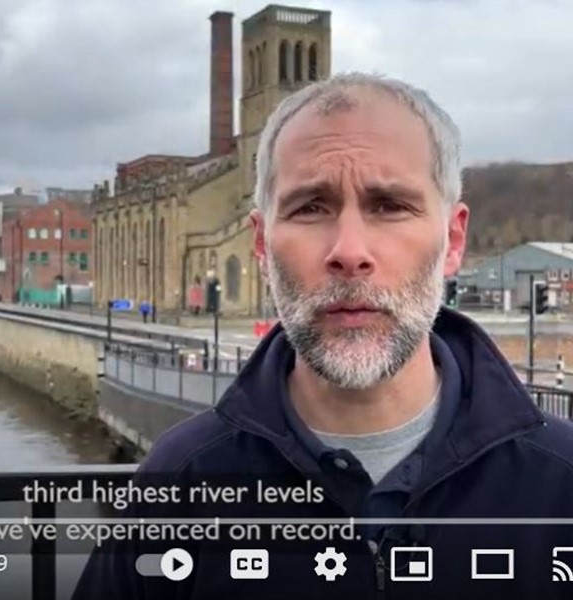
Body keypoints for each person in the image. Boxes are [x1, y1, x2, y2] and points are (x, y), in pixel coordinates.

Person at [72, 73, 573, 599]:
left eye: (389, 206)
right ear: (262, 244)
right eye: (311, 207)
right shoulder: (181, 482)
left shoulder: (559, 484)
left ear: (451, 240)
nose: (349, 250)